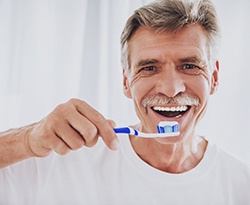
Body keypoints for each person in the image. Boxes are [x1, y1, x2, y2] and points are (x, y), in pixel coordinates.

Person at [0, 0, 249, 204]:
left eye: (190, 66)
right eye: (149, 67)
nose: (171, 89)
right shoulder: (63, 159)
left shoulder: (240, 186)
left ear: (214, 78)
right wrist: (26, 140)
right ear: (126, 82)